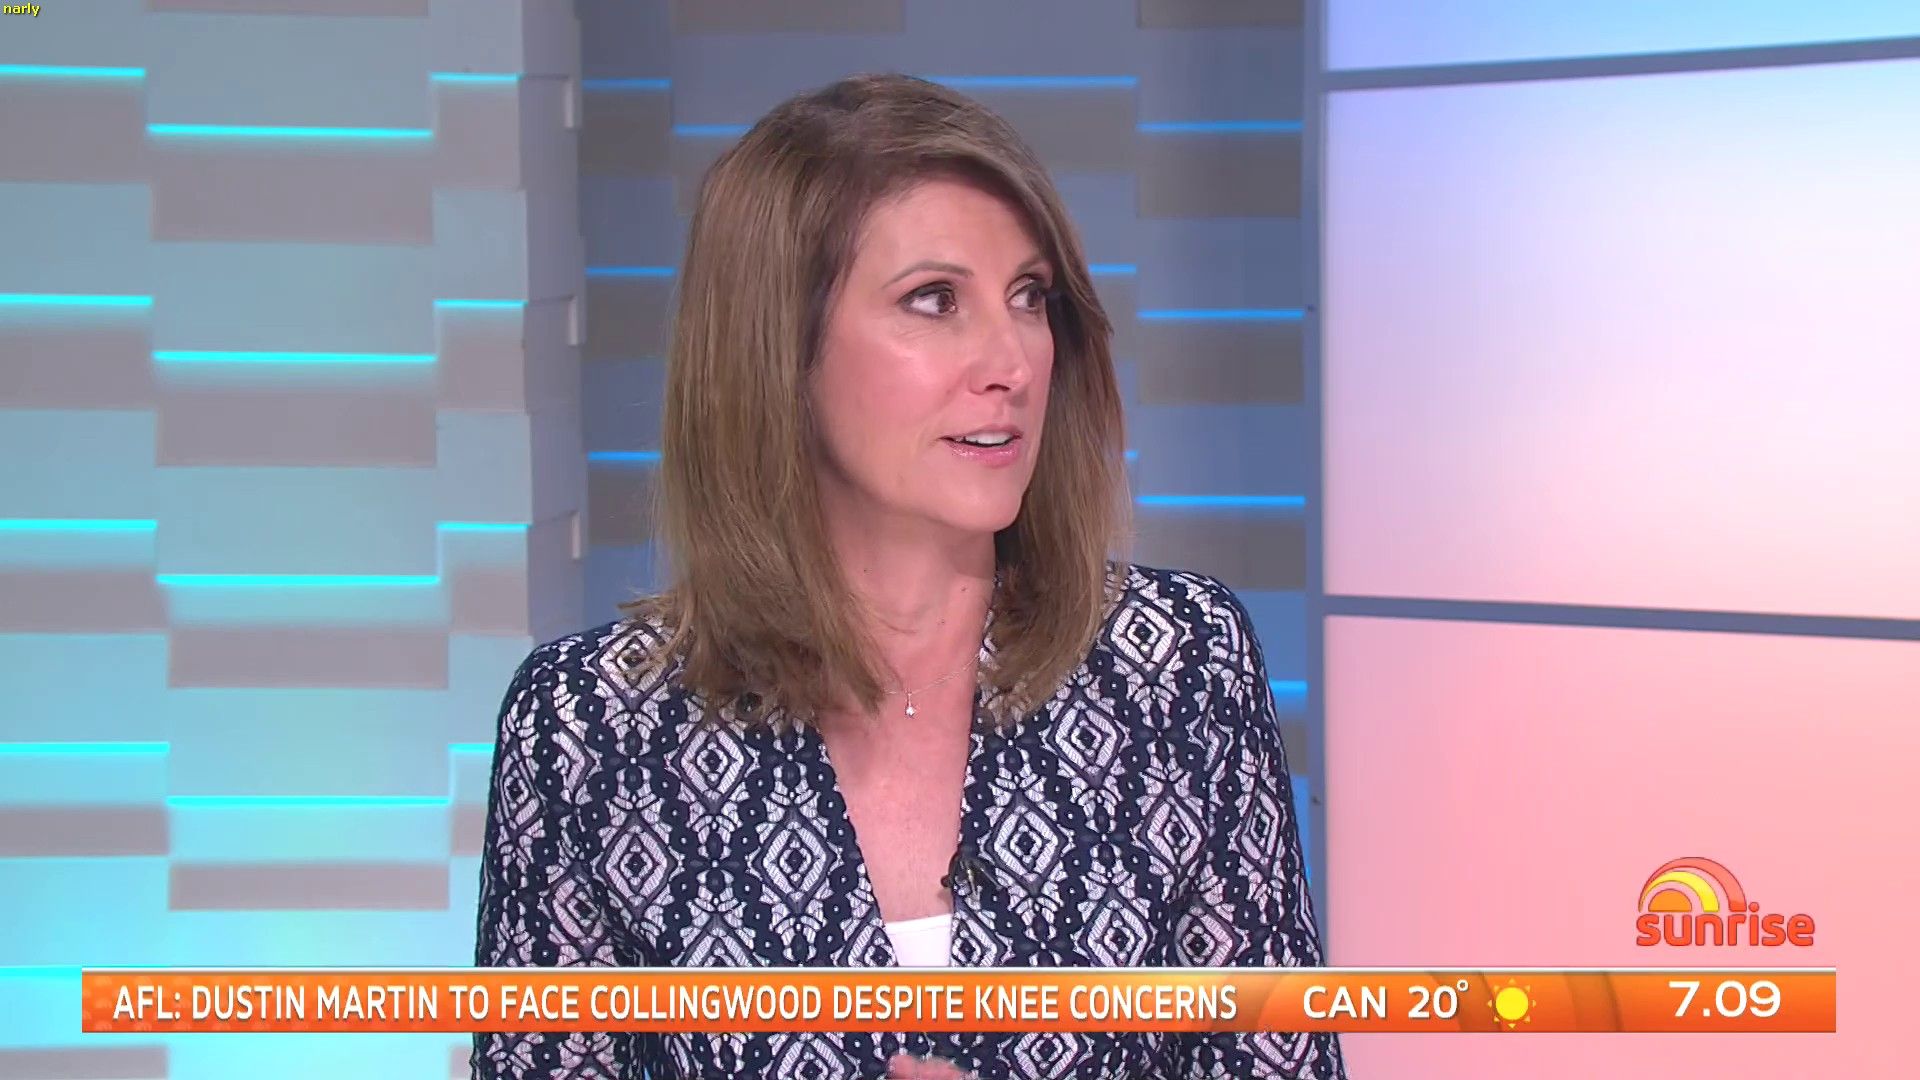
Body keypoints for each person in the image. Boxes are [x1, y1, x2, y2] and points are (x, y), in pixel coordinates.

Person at [471, 72, 1345, 1080]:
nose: (1012, 360)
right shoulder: (588, 730)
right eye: (935, 300)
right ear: (779, 351)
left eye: (1029, 297)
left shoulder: (1179, 666)